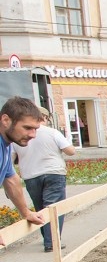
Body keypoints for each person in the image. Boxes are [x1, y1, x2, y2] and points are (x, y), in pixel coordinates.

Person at [0, 97, 46, 262]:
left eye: (35, 128)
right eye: (27, 128)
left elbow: (11, 180)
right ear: (6, 120)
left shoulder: (6, 146)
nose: (32, 134)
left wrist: (26, 212)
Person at [12, 107, 75, 252]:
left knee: (40, 208)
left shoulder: (18, 136)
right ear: (45, 118)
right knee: (53, 208)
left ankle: (47, 238)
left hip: (30, 175)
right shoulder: (52, 132)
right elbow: (70, 151)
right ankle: (51, 242)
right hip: (54, 173)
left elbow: (10, 159)